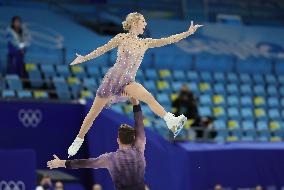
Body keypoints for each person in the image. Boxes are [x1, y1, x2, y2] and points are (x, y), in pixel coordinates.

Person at [67, 12, 203, 157]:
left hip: (128, 82)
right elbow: (102, 49)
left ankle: (171, 120)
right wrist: (84, 58)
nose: (145, 24)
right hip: (112, 80)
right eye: (143, 21)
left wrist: (188, 33)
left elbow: (168, 40)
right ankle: (78, 139)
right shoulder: (121, 38)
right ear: (135, 22)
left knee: (148, 96)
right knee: (93, 113)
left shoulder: (145, 42)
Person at [48, 98, 147, 190]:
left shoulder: (110, 158)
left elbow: (86, 163)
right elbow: (139, 124)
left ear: (118, 140)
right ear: (133, 139)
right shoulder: (139, 149)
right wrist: (136, 102)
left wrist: (62, 163)